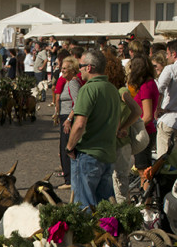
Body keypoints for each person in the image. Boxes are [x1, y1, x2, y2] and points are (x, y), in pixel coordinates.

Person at [64, 48, 139, 210]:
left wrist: (69, 147)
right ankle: (106, 235)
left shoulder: (88, 89)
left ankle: (90, 236)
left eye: (81, 66)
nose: (80, 70)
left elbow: (79, 124)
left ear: (89, 67)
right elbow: (117, 121)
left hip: (88, 154)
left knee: (84, 206)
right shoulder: (112, 90)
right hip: (108, 155)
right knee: (104, 207)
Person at [127, 53, 159, 171]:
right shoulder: (151, 83)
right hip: (147, 130)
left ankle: (145, 188)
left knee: (143, 169)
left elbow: (148, 116)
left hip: (144, 130)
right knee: (143, 167)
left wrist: (131, 127)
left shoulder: (146, 86)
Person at [53, 57, 81, 189]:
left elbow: (78, 103)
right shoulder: (68, 82)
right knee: (63, 147)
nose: (62, 70)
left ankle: (69, 180)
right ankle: (68, 178)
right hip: (65, 116)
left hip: (69, 118)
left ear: (71, 70)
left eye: (64, 68)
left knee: (67, 147)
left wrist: (69, 119)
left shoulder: (73, 83)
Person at [156, 40, 177, 157]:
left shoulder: (170, 69)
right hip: (171, 116)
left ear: (174, 54)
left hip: (169, 118)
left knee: (162, 159)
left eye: (168, 54)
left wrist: (157, 108)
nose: (166, 57)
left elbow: (159, 89)